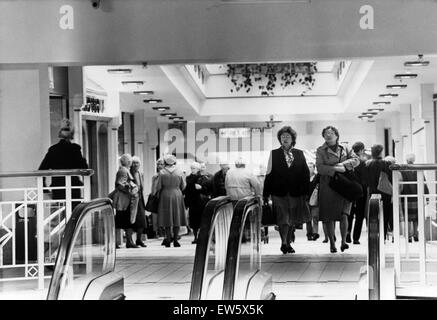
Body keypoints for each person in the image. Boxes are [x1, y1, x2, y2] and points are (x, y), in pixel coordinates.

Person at [263, 126, 310, 254]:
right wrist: (265, 194)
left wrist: (306, 192)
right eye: (282, 136)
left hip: (296, 192)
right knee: (283, 219)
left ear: (292, 139)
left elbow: (305, 173)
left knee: (292, 220)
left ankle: (288, 243)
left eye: (287, 136)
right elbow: (269, 173)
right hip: (278, 192)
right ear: (279, 139)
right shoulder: (274, 153)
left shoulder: (299, 153)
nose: (285, 138)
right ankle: (284, 242)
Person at [316, 126, 359, 253]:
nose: (329, 135)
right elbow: (319, 168)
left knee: (344, 214)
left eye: (331, 133)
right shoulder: (320, 150)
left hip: (345, 184)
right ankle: (332, 244)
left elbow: (356, 160)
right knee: (329, 216)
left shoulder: (345, 148)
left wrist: (343, 166)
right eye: (326, 133)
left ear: (337, 135)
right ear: (323, 136)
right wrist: (334, 169)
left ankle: (344, 241)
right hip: (328, 185)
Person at [38, 119, 88, 203]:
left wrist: (45, 189)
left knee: (60, 212)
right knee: (74, 212)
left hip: (58, 188)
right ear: (71, 134)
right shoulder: (75, 149)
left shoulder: (53, 150)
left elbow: (41, 170)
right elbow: (84, 167)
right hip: (73, 187)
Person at [156, 154, 187, 247]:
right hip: (177, 194)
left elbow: (158, 186)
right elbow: (183, 186)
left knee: (167, 218)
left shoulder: (161, 172)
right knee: (177, 217)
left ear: (165, 162)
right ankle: (176, 239)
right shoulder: (180, 172)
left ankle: (168, 239)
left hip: (165, 194)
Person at [365, 144, 393, 241]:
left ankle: (373, 235)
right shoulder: (387, 163)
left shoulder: (368, 164)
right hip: (385, 192)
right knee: (385, 214)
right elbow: (391, 178)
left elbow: (366, 180)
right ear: (381, 152)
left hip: (372, 192)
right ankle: (383, 236)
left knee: (373, 214)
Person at [113, 154, 140, 248]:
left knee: (125, 221)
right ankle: (125, 241)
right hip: (124, 200)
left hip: (126, 200)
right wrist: (131, 189)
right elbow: (120, 184)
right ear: (128, 162)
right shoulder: (123, 171)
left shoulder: (124, 170)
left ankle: (128, 241)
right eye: (130, 161)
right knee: (122, 221)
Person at [401, 153, 429, 242]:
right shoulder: (418, 169)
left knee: (408, 218)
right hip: (417, 197)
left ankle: (409, 236)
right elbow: (423, 183)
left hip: (406, 197)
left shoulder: (402, 170)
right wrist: (427, 196)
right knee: (417, 218)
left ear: (406, 160)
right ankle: (416, 235)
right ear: (414, 160)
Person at [346, 142, 368, 245]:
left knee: (349, 214)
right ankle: (356, 238)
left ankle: (347, 234)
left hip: (350, 191)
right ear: (361, 150)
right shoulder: (363, 162)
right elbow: (364, 179)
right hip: (360, 192)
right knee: (359, 216)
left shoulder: (348, 161)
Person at [130, 156, 147, 247]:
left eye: (137, 163)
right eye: (134, 163)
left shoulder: (141, 173)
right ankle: (130, 240)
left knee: (141, 220)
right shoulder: (129, 173)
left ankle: (139, 239)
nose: (135, 164)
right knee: (132, 220)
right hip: (132, 199)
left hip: (140, 198)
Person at [184, 162, 203, 244]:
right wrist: (186, 203)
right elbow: (186, 191)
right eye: (191, 168)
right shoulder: (188, 178)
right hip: (192, 201)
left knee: (200, 220)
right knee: (193, 221)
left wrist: (201, 188)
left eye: (194, 168)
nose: (192, 170)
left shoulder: (202, 177)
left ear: (198, 169)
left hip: (200, 201)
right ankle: (195, 237)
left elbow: (206, 189)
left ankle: (201, 236)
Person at [307, 162, 322, 241]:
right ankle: (309, 234)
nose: (309, 169)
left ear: (314, 168)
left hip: (315, 200)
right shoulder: (305, 177)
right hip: (306, 200)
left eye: (311, 167)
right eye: (308, 167)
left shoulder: (317, 177)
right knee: (308, 218)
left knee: (315, 217)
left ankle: (315, 233)